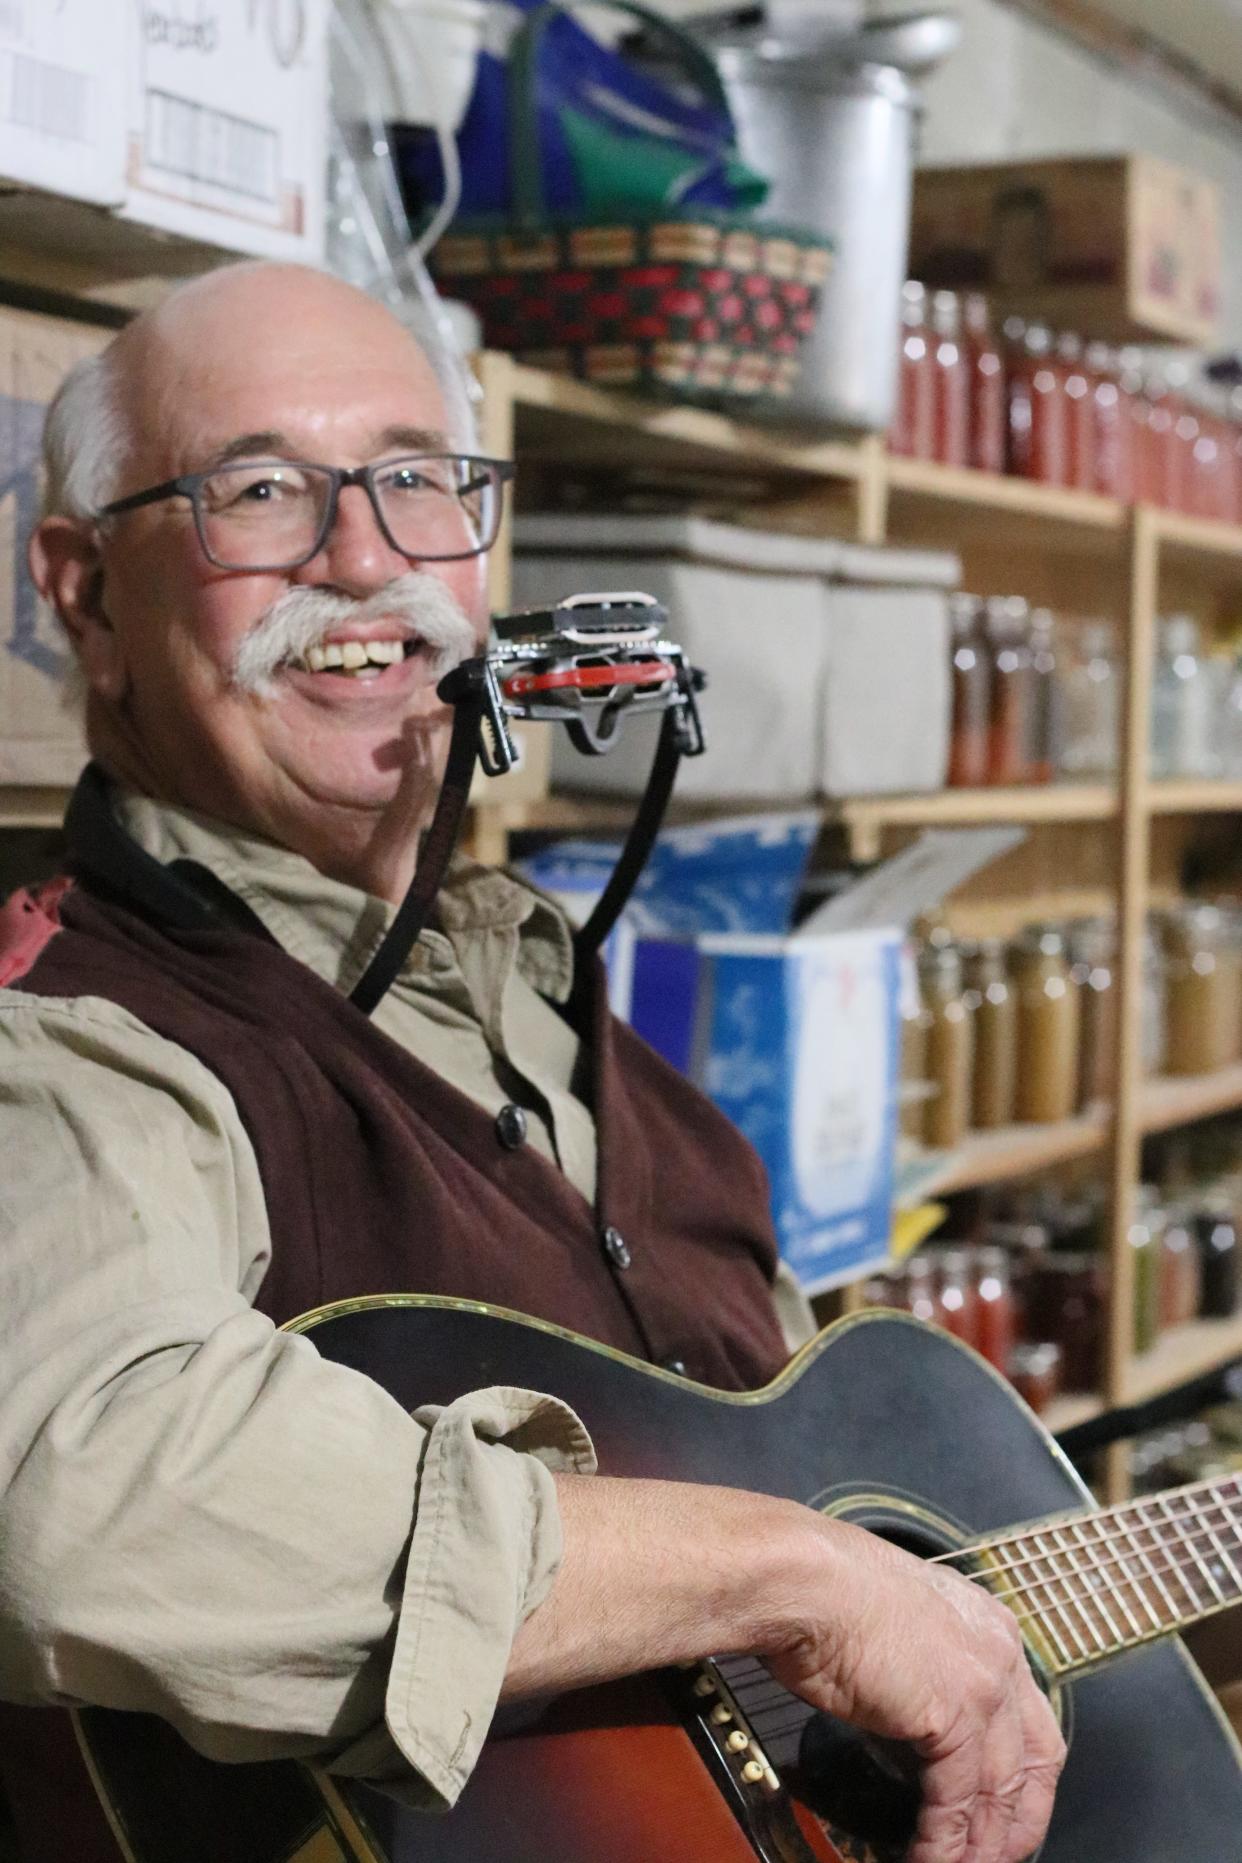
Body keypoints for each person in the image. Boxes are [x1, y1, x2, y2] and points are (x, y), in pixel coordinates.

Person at [0, 260, 1064, 1863]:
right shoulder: (74, 1035)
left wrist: (905, 1611)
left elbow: (791, 1464)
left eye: (423, 482)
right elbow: (88, 1496)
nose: (366, 561)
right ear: (84, 589)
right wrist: (791, 1575)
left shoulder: (549, 993)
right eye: (263, 491)